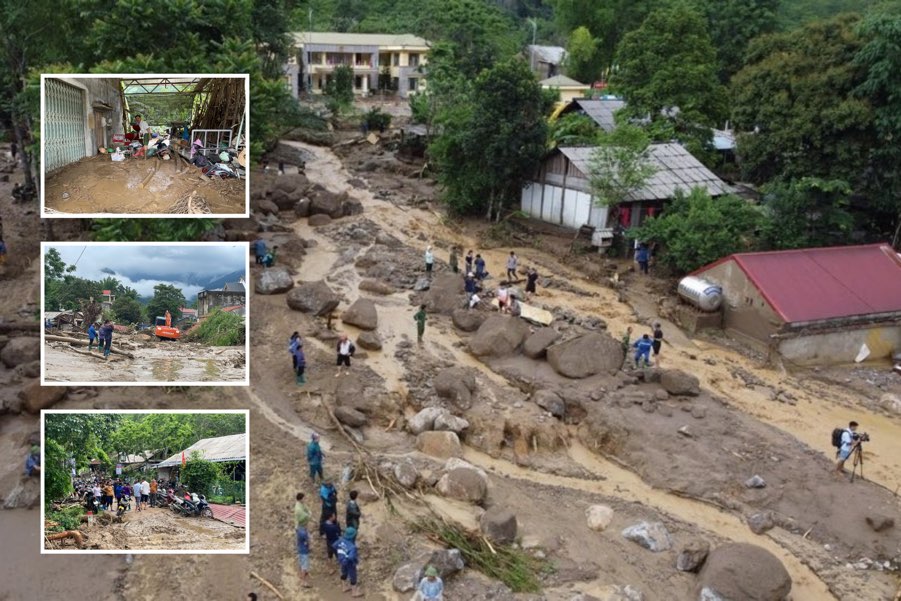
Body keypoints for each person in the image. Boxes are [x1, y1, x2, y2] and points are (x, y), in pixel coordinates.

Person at [334, 526, 362, 597]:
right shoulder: (352, 547)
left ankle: (344, 587)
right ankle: (354, 592)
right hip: (350, 563)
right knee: (353, 576)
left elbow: (334, 545)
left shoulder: (340, 540)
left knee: (344, 572)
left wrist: (340, 555)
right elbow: (351, 557)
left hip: (342, 561)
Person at [294, 492, 312, 587]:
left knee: (301, 562)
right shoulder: (303, 532)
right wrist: (309, 544)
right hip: (304, 550)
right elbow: (308, 541)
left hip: (300, 549)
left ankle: (302, 575)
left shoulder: (299, 530)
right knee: (304, 565)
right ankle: (303, 581)